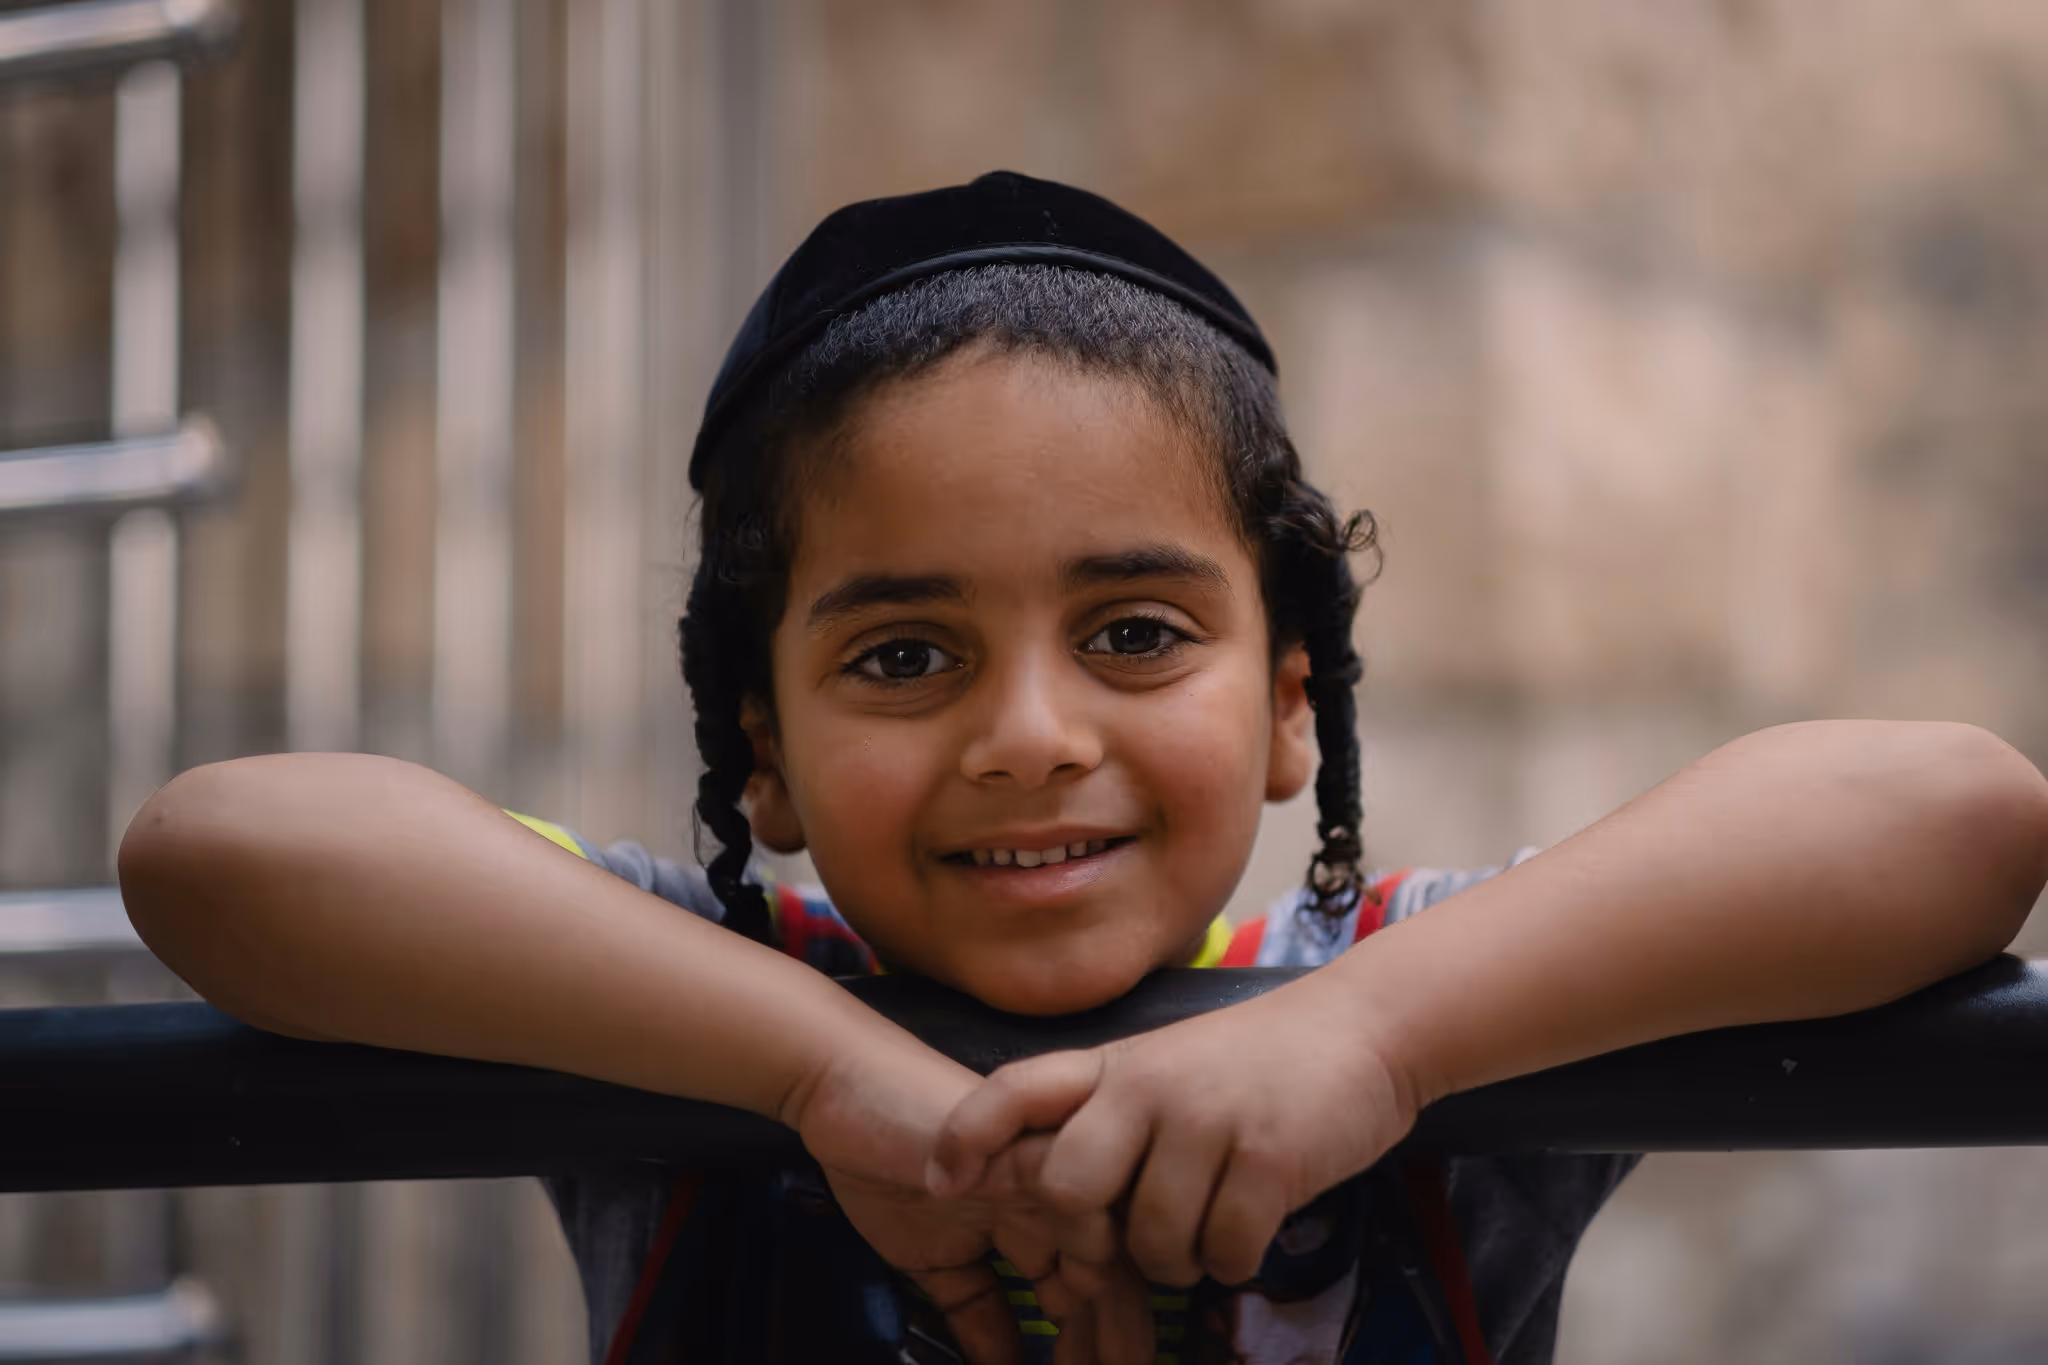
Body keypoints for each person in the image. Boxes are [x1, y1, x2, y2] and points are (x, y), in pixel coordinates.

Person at [118, 172, 2048, 1365]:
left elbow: (1954, 815)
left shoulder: (1419, 988)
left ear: (1293, 705)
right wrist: (816, 1073)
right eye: (902, 656)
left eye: (1135, 634)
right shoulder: (689, 1007)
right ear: (761, 758)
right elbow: (224, 852)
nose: (1030, 734)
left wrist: (1372, 1045)